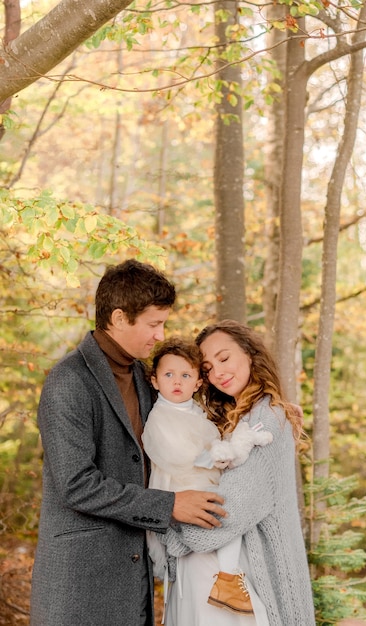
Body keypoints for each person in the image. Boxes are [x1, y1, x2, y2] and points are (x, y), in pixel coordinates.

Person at [29, 260, 226, 626]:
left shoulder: (141, 374)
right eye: (153, 324)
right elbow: (76, 485)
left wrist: (267, 405)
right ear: (119, 318)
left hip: (133, 583)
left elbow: (187, 412)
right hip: (79, 585)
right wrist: (168, 506)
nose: (159, 334)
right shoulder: (67, 381)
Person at [161, 319, 316, 626]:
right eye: (207, 368)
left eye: (224, 358)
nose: (217, 372)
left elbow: (227, 510)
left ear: (249, 354)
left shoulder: (267, 419)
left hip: (252, 586)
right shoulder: (239, 418)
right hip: (229, 582)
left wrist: (173, 536)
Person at [142, 337, 273, 616]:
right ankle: (226, 580)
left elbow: (214, 439)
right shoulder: (160, 418)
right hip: (187, 492)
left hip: (207, 486)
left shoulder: (198, 411)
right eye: (169, 375)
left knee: (228, 526)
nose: (177, 382)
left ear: (198, 383)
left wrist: (223, 452)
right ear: (154, 381)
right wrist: (221, 456)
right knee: (214, 535)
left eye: (186, 375)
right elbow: (181, 458)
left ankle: (228, 577)